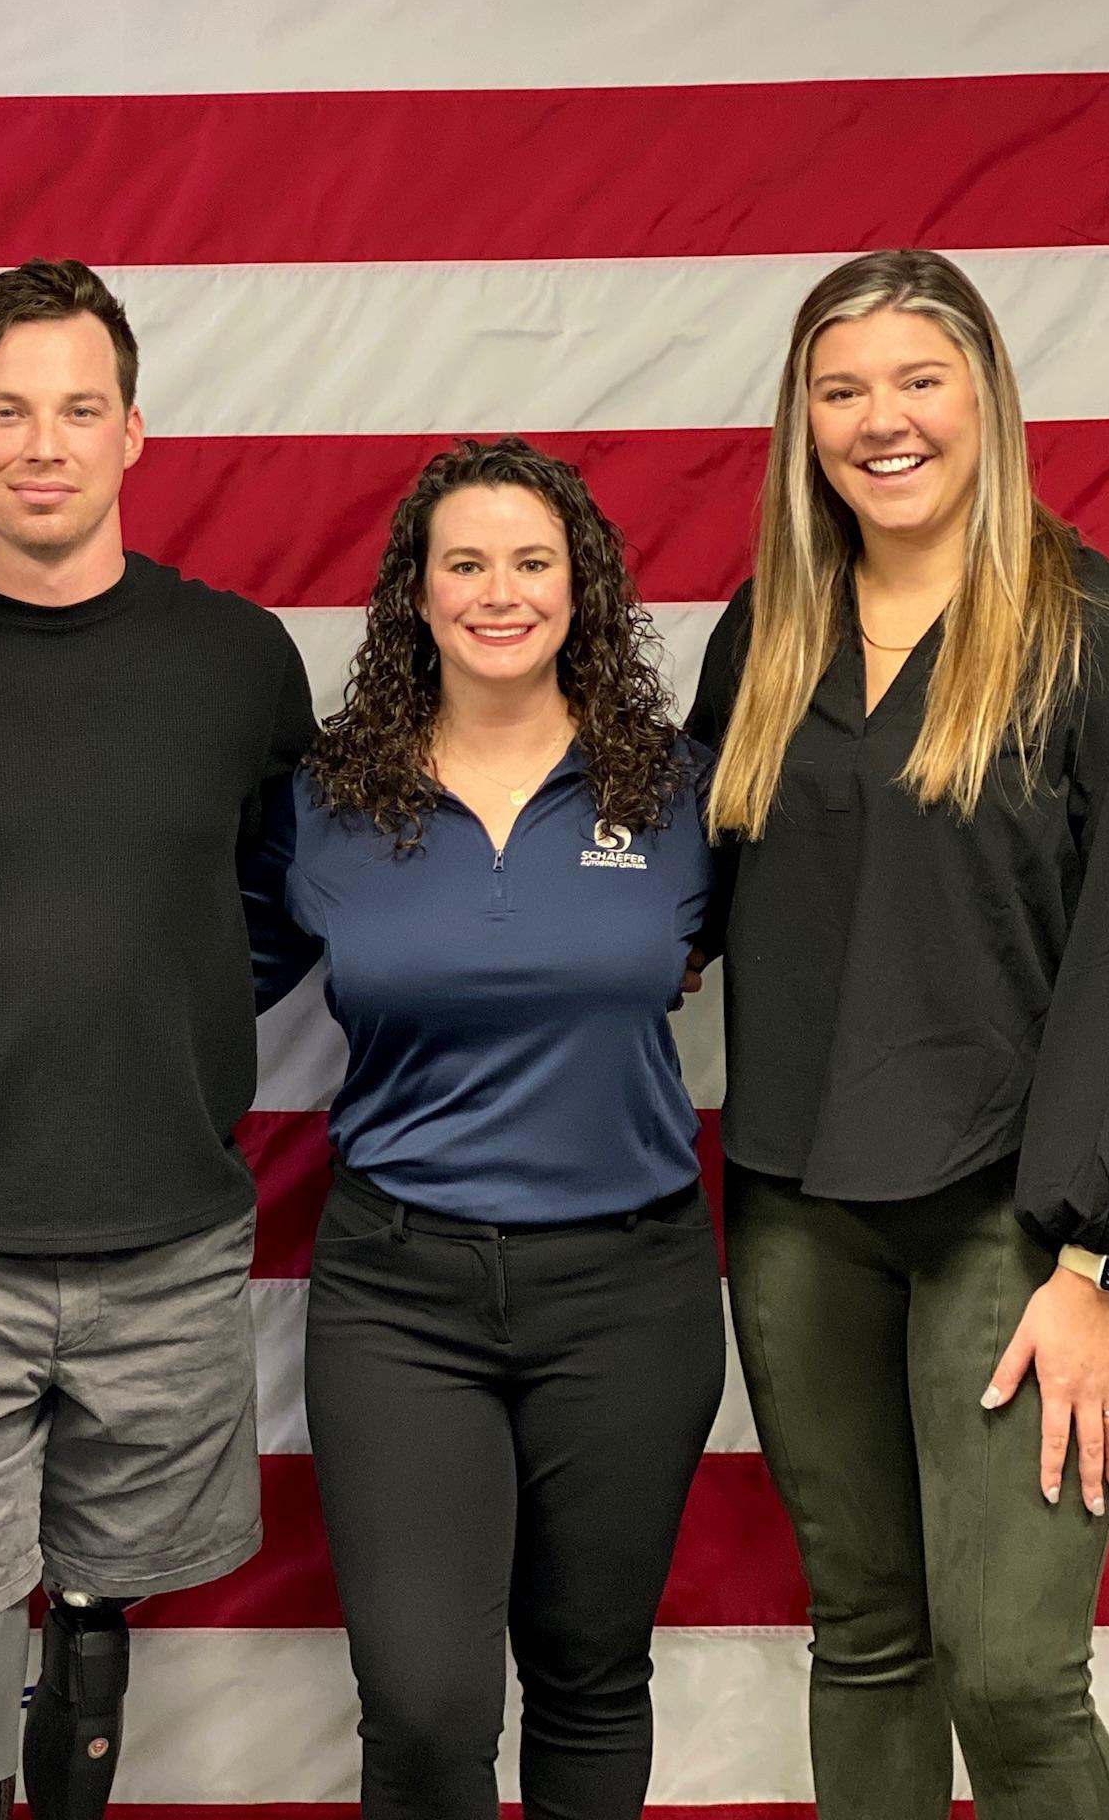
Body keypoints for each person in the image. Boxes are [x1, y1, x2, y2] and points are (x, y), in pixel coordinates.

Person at [0, 258, 315, 1820]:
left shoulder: (238, 661)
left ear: (134, 432)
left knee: (98, 1617)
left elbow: (291, 905)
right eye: (6, 409)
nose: (43, 442)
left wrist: (168, 1009)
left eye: (78, 408)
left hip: (165, 1237)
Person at [687, 247, 1109, 1819]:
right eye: (841, 388)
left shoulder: (1096, 633)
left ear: (987, 398)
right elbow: (672, 901)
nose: (882, 420)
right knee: (869, 1640)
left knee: (1011, 1675)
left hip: (1017, 1228)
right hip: (800, 1211)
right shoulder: (767, 635)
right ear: (805, 423)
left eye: (917, 379)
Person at [246, 438, 724, 1820]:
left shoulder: (679, 794)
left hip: (629, 1290)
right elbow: (195, 990)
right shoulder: (325, 800)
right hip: (403, 1296)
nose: (499, 592)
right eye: (466, 563)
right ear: (417, 592)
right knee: (424, 1704)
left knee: (587, 1673)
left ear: (584, 590)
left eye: (532, 561)